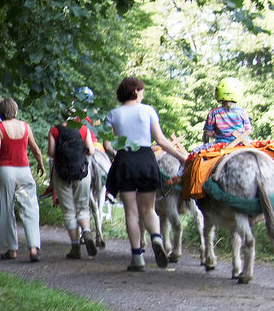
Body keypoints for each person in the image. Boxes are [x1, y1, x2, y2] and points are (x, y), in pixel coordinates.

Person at [101, 77, 188, 271]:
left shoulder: (113, 114)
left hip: (126, 161)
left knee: (131, 212)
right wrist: (180, 157)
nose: (143, 94)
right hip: (146, 159)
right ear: (135, 91)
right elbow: (162, 141)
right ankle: (156, 237)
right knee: (149, 209)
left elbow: (107, 145)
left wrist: (118, 154)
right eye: (142, 91)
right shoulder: (148, 111)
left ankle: (137, 258)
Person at [0, 98, 46, 261]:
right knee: (30, 207)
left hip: (5, 171)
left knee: (7, 208)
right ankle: (33, 248)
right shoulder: (25, 127)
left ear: (0, 112)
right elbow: (35, 149)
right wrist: (40, 163)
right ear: (15, 110)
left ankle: (12, 249)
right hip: (24, 170)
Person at [48, 110, 98, 259]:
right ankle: (87, 232)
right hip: (81, 173)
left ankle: (75, 247)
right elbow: (91, 150)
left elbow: (51, 153)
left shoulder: (55, 130)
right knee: (82, 207)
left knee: (69, 211)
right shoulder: (83, 129)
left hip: (62, 174)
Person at [202, 77, 252, 146]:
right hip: (242, 144)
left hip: (222, 144)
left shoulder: (213, 113)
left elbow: (208, 132)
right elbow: (248, 130)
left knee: (195, 152)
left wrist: (219, 135)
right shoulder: (242, 112)